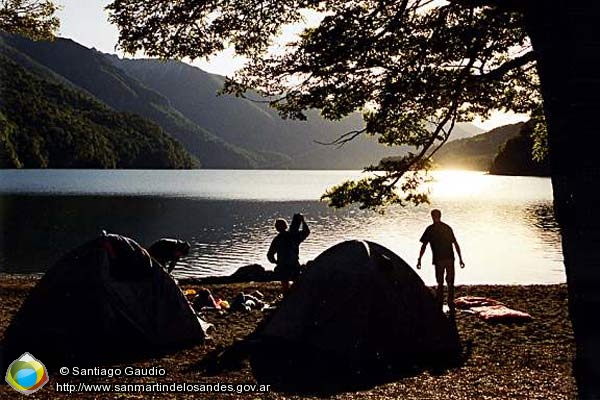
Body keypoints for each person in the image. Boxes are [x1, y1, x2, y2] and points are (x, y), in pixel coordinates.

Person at [417, 209, 465, 314]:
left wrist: (419, 259)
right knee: (450, 282)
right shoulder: (447, 228)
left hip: (439, 259)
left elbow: (423, 246)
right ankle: (450, 302)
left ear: (432, 216)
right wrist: (460, 258)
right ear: (440, 216)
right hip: (450, 258)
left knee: (440, 282)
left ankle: (440, 303)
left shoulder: (430, 229)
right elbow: (455, 244)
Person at [267, 213, 310, 292]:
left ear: (276, 228)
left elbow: (270, 255)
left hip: (283, 265)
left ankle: (287, 297)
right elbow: (306, 232)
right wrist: (303, 222)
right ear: (286, 226)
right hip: (293, 264)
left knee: (285, 283)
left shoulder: (277, 239)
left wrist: (276, 262)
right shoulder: (294, 236)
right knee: (297, 283)